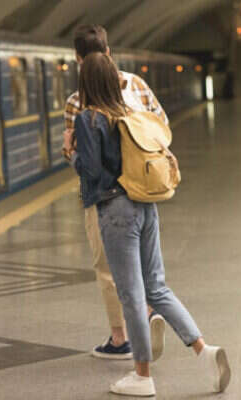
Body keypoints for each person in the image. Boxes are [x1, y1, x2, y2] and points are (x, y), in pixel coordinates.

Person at [66, 52, 231, 397]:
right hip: (146, 205)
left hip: (116, 210)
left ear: (86, 83)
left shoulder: (89, 118)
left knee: (131, 294)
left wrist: (72, 152)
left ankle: (142, 376)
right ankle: (204, 350)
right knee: (157, 287)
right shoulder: (129, 113)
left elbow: (91, 172)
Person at [62, 24, 167, 361]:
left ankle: (120, 337)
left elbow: (84, 164)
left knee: (107, 266)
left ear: (78, 59)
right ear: (108, 51)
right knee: (146, 265)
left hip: (102, 197)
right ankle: (151, 312)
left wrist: (69, 151)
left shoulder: (76, 102)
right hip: (142, 188)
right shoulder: (138, 86)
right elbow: (162, 129)